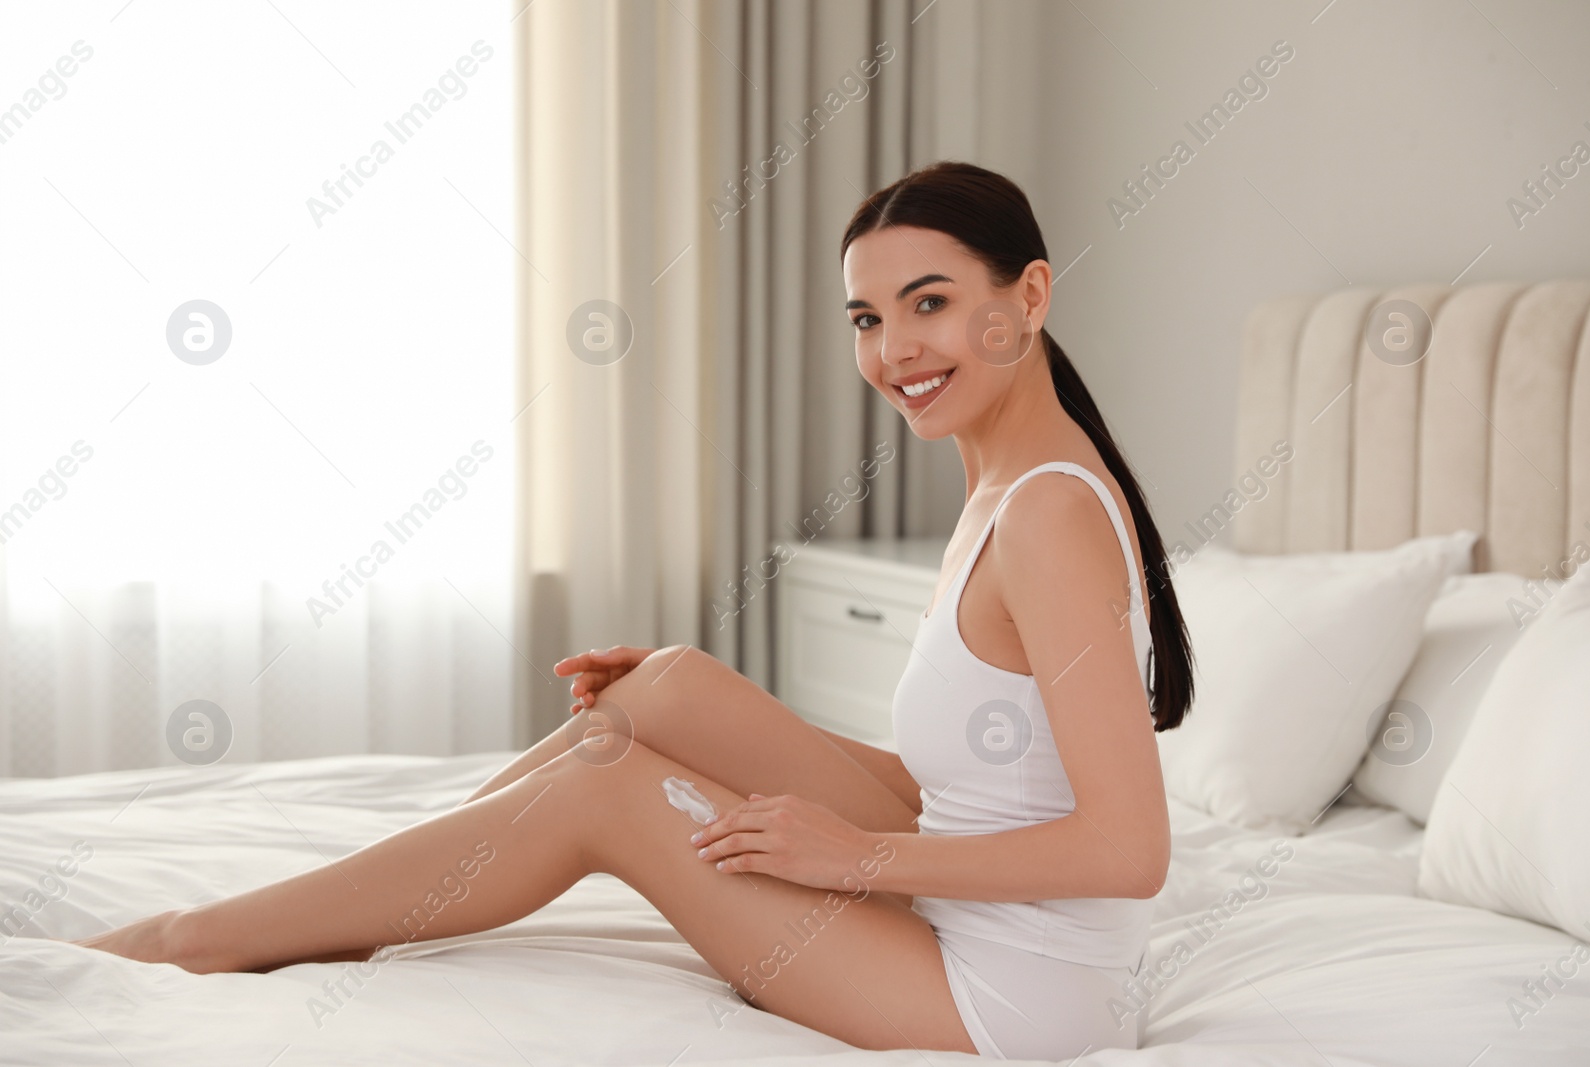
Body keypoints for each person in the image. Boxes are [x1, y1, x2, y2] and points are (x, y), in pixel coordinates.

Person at [72, 160, 1193, 1058]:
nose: (892, 350)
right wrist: (705, 727)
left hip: (1017, 997)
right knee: (657, 693)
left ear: (1028, 295)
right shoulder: (1009, 482)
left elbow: (1128, 846)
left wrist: (855, 860)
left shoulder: (1046, 514)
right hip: (977, 922)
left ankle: (200, 938)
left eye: (929, 304)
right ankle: (389, 885)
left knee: (606, 787)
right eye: (865, 317)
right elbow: (976, 789)